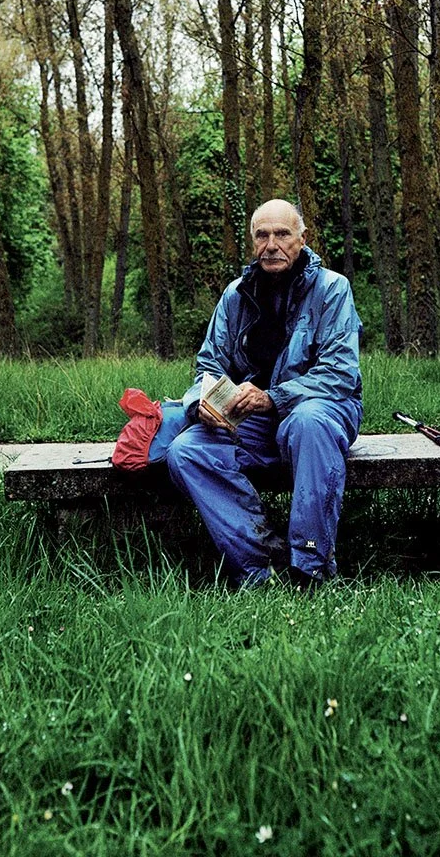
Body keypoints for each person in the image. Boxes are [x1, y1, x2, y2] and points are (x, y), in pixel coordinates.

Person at [166, 199, 363, 589]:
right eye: (262, 235)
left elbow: (340, 373)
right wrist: (202, 402)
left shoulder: (333, 289)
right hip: (254, 420)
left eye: (282, 234)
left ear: (302, 239)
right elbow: (209, 365)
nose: (271, 244)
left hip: (320, 411)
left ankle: (312, 567)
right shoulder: (236, 295)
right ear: (253, 242)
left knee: (307, 423)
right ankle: (258, 564)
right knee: (187, 450)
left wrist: (273, 397)